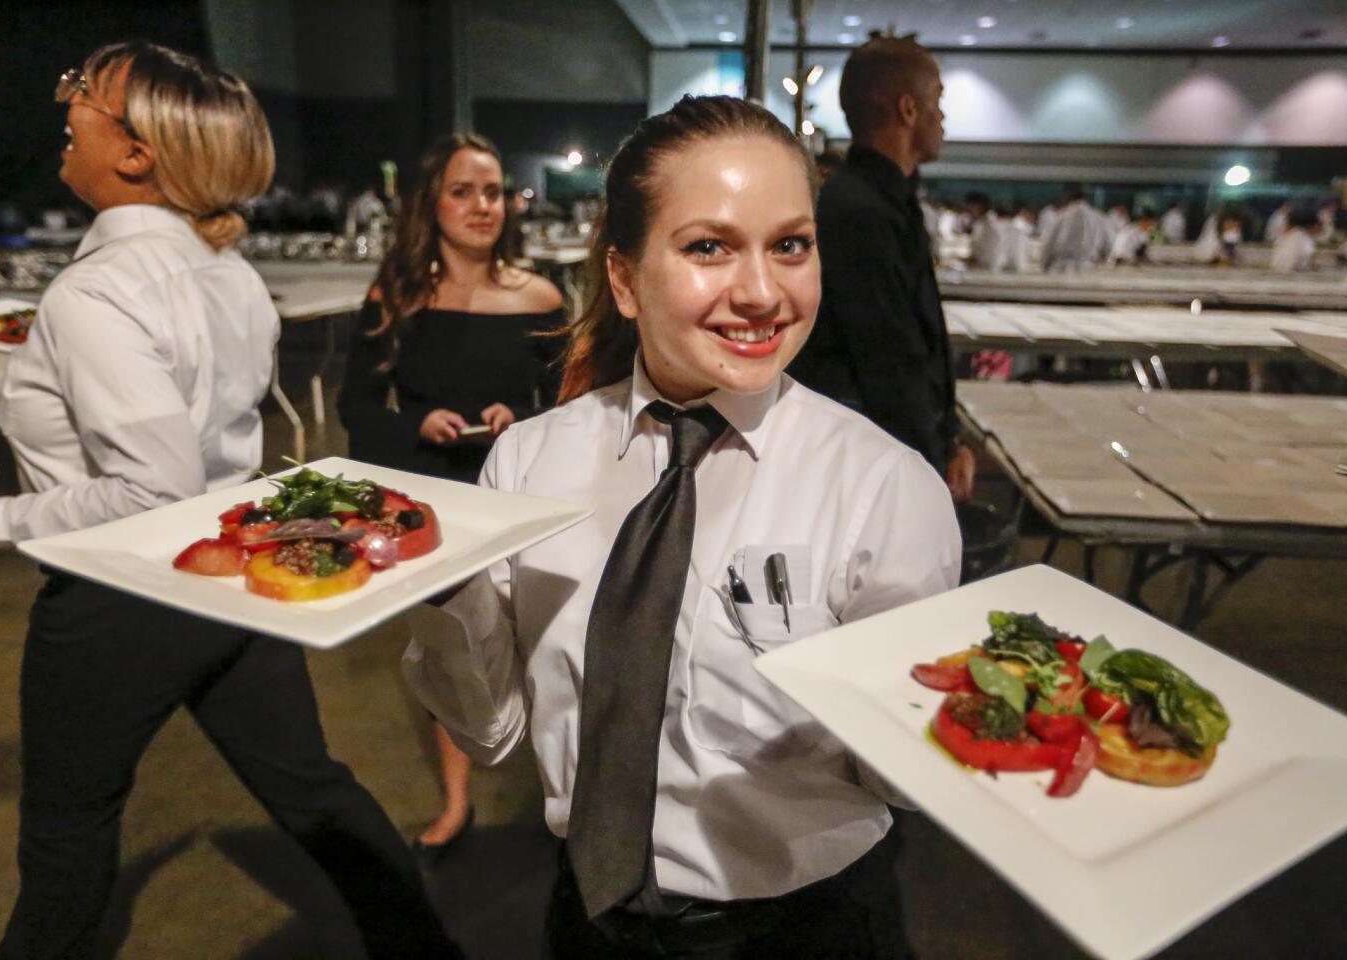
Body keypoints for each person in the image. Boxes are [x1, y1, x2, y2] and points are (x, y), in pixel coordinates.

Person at [402, 94, 960, 959]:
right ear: (623, 278)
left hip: (805, 930)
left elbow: (904, 781)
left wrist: (960, 714)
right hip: (588, 917)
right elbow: (492, 730)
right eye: (709, 247)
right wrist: (440, 586)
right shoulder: (528, 465)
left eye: (790, 246)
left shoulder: (884, 487)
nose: (763, 293)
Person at [0, 43, 458, 960]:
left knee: (66, 841)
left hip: (117, 598)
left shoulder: (95, 292)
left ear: (137, 152)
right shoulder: (229, 278)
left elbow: (150, 489)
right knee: (312, 789)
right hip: (224, 580)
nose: (62, 101)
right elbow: (182, 457)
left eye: (82, 92)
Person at [337, 133, 564, 852]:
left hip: (516, 498)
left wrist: (519, 420)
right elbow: (356, 409)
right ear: (431, 204)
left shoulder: (541, 296)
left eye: (493, 191)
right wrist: (416, 422)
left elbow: (573, 411)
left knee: (548, 644)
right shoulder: (396, 296)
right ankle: (457, 801)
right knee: (454, 651)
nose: (481, 206)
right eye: (462, 191)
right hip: (432, 499)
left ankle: (564, 793)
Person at [787, 36, 974, 502]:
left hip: (881, 446)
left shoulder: (883, 202)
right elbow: (888, 356)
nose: (943, 118)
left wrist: (948, 436)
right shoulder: (858, 211)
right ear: (908, 110)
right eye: (937, 102)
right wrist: (929, 460)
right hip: (867, 459)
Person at [1041, 186, 1108, 272]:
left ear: (1069, 199)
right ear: (1086, 199)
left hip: (1063, 266)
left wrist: (1044, 264)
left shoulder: (1062, 216)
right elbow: (1108, 244)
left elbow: (1049, 243)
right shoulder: (1098, 217)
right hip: (1088, 266)